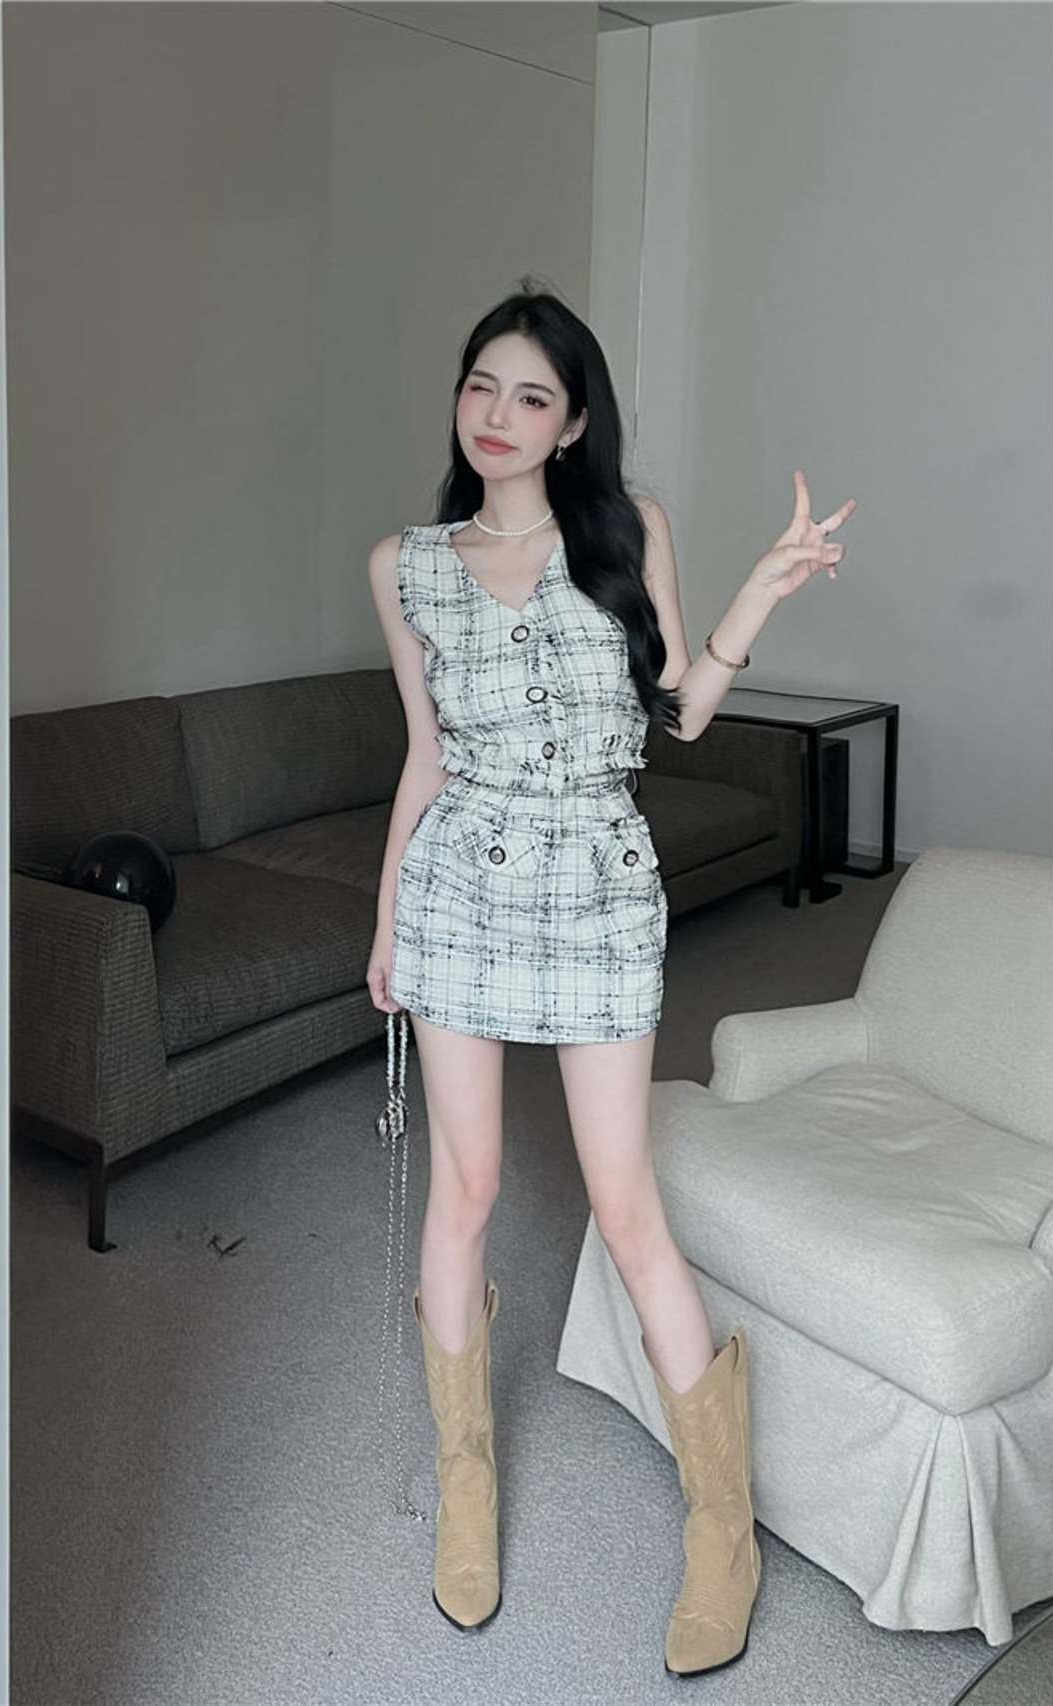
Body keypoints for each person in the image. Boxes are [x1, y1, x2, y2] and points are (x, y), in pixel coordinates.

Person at [365, 284, 856, 1676]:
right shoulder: (406, 564)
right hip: (460, 888)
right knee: (465, 1188)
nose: (499, 414)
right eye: (482, 386)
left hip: (596, 886)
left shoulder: (627, 531)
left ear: (573, 421)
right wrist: (388, 923)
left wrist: (761, 589)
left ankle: (722, 1526)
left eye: (532, 395)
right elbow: (424, 755)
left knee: (627, 1201)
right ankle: (467, 1486)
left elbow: (681, 711)